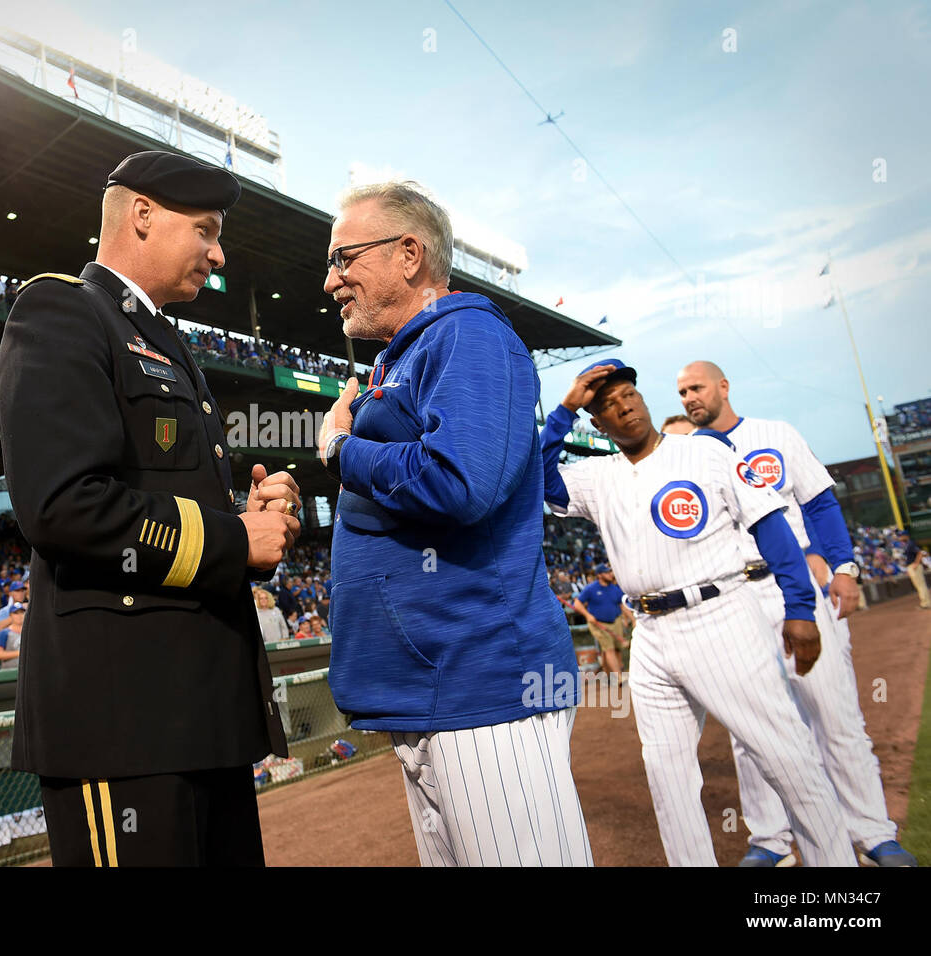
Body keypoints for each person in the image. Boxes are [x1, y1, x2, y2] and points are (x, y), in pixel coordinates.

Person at [0, 149, 298, 867]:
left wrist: (248, 518)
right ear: (141, 215)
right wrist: (232, 540)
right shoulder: (62, 308)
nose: (217, 255)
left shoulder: (167, 342)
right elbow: (63, 505)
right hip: (123, 721)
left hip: (201, 715)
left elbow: (162, 497)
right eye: (205, 230)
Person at [318, 180, 589, 867]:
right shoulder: (404, 355)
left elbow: (460, 483)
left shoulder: (467, 333)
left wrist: (343, 451)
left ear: (409, 254)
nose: (330, 281)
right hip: (432, 693)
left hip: (483, 686)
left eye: (344, 258)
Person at [542, 358, 854, 867]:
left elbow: (771, 528)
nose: (624, 406)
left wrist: (800, 606)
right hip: (649, 633)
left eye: (629, 395)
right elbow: (536, 478)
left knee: (785, 756)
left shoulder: (706, 453)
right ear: (596, 423)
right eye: (607, 405)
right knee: (666, 776)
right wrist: (564, 408)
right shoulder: (597, 476)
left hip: (720, 616)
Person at [678, 360, 916, 867]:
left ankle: (871, 831)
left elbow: (820, 503)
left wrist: (844, 567)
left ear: (724, 385)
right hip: (735, 594)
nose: (689, 398)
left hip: (795, 585)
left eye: (696, 387)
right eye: (680, 392)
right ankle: (771, 839)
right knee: (751, 729)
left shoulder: (775, 434)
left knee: (835, 714)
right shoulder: (686, 454)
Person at [572, 563, 632, 678]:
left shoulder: (614, 588)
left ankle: (608, 674)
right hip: (598, 623)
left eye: (610, 572)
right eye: (607, 572)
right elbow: (577, 603)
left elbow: (622, 605)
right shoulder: (591, 589)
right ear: (599, 575)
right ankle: (618, 677)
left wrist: (631, 619)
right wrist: (588, 616)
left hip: (615, 621)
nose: (610, 574)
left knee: (616, 649)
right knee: (609, 649)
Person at [899, 532, 930, 609]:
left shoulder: (910, 543)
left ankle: (925, 603)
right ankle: (926, 602)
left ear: (906, 536)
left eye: (901, 536)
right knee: (920, 585)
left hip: (914, 566)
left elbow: (919, 553)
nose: (900, 537)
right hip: (912, 566)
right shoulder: (908, 544)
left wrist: (916, 563)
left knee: (920, 586)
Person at [0, 602, 26, 669]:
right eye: (16, 613)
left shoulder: (29, 633)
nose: (20, 615)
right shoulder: (4, 633)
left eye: (22, 612)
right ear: (10, 616)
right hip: (9, 671)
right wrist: (20, 653)